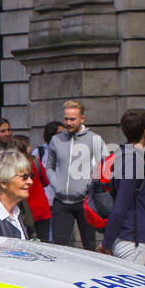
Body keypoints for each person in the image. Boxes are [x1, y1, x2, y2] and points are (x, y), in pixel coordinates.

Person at [43, 100, 107, 250]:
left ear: (82, 119)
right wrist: (57, 186)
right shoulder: (56, 140)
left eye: (72, 119)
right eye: (66, 119)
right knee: (58, 247)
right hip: (61, 200)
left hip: (85, 201)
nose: (68, 122)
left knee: (90, 246)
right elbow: (49, 167)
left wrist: (89, 186)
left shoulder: (94, 139)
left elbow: (104, 167)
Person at [99, 108, 145, 265]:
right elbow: (120, 206)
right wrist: (106, 244)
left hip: (127, 237)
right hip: (131, 241)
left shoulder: (124, 154)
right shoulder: (132, 160)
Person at [11, 135, 52, 241]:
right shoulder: (35, 162)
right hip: (40, 211)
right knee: (43, 246)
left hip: (22, 213)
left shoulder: (10, 167)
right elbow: (46, 182)